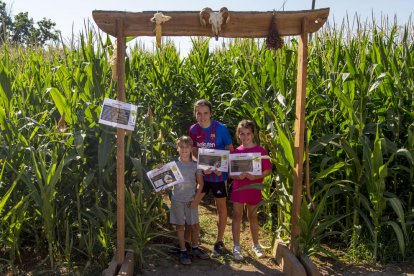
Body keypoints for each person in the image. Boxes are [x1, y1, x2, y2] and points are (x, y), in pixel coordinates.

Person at [189, 99, 234, 256]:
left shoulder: (221, 129)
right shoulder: (193, 129)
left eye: (205, 113)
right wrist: (200, 166)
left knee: (221, 208)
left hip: (218, 176)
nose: (202, 117)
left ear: (211, 113)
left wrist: (218, 167)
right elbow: (194, 152)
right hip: (202, 176)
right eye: (199, 113)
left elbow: (230, 150)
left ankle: (219, 241)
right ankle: (190, 242)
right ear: (195, 114)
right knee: (192, 203)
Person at [230, 119, 272, 260]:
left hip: (254, 188)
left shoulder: (260, 151)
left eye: (248, 133)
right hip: (239, 188)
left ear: (253, 134)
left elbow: (268, 169)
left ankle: (256, 245)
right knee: (236, 216)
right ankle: (236, 246)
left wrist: (256, 177)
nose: (245, 137)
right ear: (238, 135)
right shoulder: (235, 152)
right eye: (242, 134)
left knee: (252, 217)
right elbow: (230, 173)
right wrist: (237, 176)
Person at [169, 136, 209, 265]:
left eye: (187, 147)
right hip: (177, 200)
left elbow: (201, 184)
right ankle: (183, 250)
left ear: (191, 149)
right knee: (180, 225)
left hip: (191, 200)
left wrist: (196, 200)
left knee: (194, 225)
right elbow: (164, 178)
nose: (184, 149)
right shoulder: (173, 165)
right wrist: (159, 168)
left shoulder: (195, 165)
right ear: (177, 149)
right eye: (182, 147)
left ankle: (196, 247)